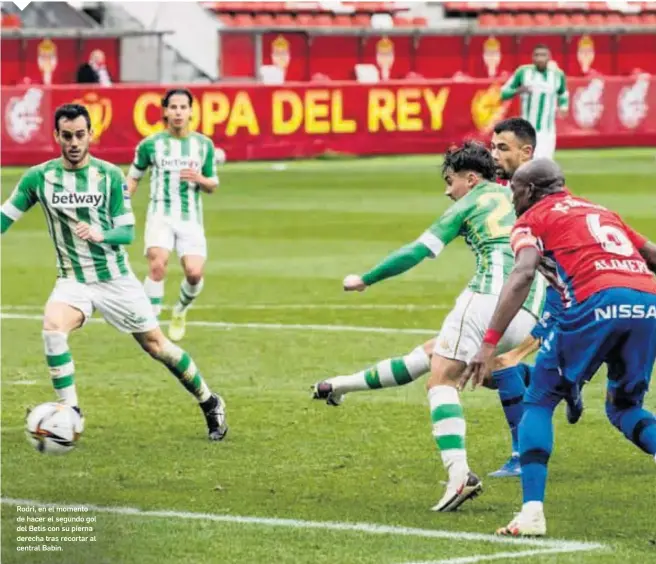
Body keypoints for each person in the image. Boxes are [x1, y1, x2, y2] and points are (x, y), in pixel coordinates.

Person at [313, 118, 568, 481]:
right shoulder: (524, 195)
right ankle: (338, 385)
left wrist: (365, 279)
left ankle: (462, 474)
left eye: (451, 182)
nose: (448, 192)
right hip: (532, 304)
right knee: (433, 354)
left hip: (493, 297)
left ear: (471, 179)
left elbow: (417, 250)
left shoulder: (472, 202)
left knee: (443, 381)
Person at [0, 103, 228, 441]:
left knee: (157, 346)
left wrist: (100, 234)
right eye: (67, 136)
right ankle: (71, 413)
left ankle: (209, 401)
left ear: (91, 134)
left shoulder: (109, 176)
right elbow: (5, 217)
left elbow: (127, 233)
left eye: (80, 135)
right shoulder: (39, 178)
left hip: (115, 280)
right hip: (73, 279)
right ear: (56, 137)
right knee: (52, 328)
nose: (74, 142)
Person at [462, 159, 656, 536]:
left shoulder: (531, 221)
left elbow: (522, 273)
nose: (512, 196)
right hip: (648, 302)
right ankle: (575, 387)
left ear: (530, 191)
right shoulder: (601, 211)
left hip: (594, 301)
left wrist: (488, 343)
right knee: (625, 408)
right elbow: (652, 256)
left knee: (538, 401)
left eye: (515, 189)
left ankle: (531, 512)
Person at [127, 88, 218, 342]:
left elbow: (212, 185)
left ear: (190, 111)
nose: (178, 112)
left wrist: (199, 179)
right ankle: (151, 325)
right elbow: (134, 177)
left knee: (194, 273)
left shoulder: (203, 145)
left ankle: (180, 310)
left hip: (190, 218)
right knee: (157, 263)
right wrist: (121, 204)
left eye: (183, 107)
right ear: (165, 112)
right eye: (173, 107)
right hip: (160, 214)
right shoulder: (150, 145)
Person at [501, 45, 569, 160]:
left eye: (543, 55)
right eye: (537, 55)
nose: (540, 58)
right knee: (526, 163)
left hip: (547, 131)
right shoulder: (523, 72)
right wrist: (518, 90)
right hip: (526, 129)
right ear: (532, 58)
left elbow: (563, 93)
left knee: (544, 164)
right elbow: (504, 92)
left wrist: (563, 106)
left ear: (549, 58)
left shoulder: (558, 75)